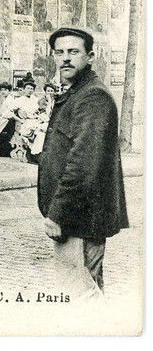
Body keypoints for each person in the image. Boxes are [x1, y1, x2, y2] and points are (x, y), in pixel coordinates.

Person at [38, 27, 128, 299]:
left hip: (80, 217)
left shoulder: (92, 96)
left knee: (79, 297)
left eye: (73, 52)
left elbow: (83, 164)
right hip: (79, 217)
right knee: (86, 291)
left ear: (90, 56)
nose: (65, 58)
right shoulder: (78, 93)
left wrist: (57, 213)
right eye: (60, 52)